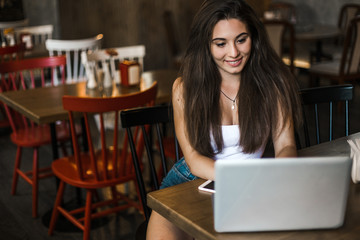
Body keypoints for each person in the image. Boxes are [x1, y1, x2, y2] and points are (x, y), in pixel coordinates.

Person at [147, 0, 302, 239]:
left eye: (241, 40)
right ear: (206, 45)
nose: (234, 53)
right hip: (190, 183)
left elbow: (286, 145)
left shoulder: (273, 84)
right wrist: (243, 179)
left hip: (251, 186)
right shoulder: (185, 89)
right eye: (221, 44)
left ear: (253, 37)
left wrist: (276, 176)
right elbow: (194, 159)